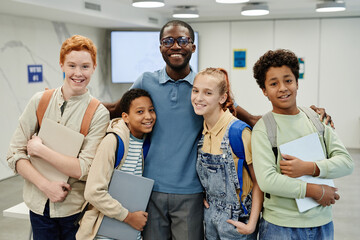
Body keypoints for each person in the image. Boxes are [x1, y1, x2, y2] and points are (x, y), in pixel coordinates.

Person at [105, 20, 331, 240]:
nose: (176, 46)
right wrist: (77, 101)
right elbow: (117, 108)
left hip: (191, 192)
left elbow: (244, 114)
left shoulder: (201, 84)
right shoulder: (146, 81)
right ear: (160, 47)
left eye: (183, 40)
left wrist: (307, 113)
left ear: (193, 46)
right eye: (168, 41)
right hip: (151, 188)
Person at [6, 35, 110, 240]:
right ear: (61, 64)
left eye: (85, 66)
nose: (78, 73)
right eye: (71, 65)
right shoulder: (40, 101)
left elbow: (84, 168)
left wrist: (40, 150)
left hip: (75, 211)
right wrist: (46, 186)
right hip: (38, 208)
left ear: (94, 67)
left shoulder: (98, 113)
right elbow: (14, 155)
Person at [251, 49, 354, 240]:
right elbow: (267, 180)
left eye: (288, 80)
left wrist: (309, 168)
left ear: (297, 83)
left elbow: (347, 163)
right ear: (264, 90)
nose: (282, 88)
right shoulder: (264, 129)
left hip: (322, 222)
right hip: (280, 226)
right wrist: (314, 190)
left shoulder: (317, 119)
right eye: (274, 84)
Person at [191, 68, 262, 239]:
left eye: (208, 93)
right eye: (195, 91)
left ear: (222, 98)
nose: (199, 98)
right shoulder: (203, 131)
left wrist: (251, 224)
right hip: (210, 218)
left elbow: (259, 182)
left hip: (238, 221)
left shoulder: (239, 132)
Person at [76, 88, 156, 240]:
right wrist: (128, 217)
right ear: (125, 117)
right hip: (104, 232)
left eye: (151, 110)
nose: (148, 116)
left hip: (132, 232)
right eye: (140, 112)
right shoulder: (112, 142)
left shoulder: (147, 143)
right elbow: (93, 192)